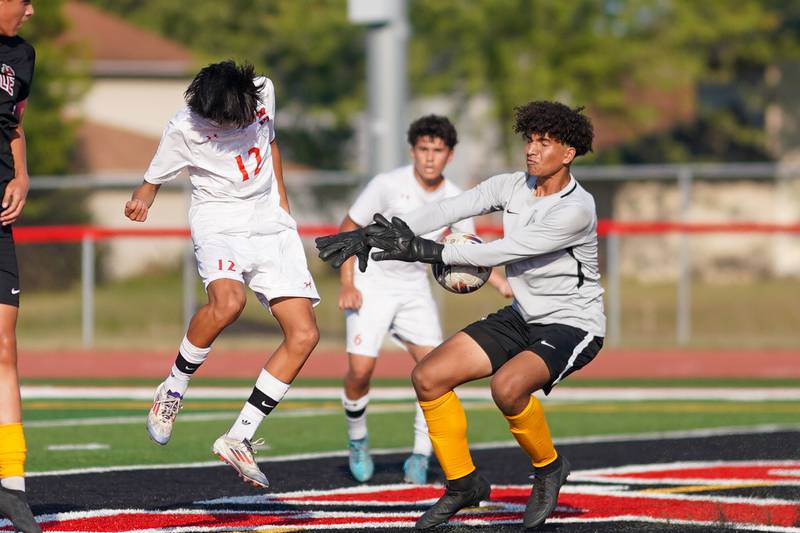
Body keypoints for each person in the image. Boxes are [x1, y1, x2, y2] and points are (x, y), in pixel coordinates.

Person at [317, 101, 604, 530]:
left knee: (507, 388)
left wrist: (428, 250)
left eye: (545, 142)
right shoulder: (511, 185)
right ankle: (463, 483)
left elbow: (504, 251)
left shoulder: (576, 208)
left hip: (573, 323)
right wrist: (372, 235)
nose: (531, 149)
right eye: (529, 139)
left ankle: (548, 468)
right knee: (428, 376)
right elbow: (448, 209)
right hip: (523, 315)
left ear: (568, 154)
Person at [125, 60, 320, 489]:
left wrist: (283, 203)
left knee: (304, 335)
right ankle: (172, 390)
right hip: (218, 220)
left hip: (269, 220)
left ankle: (239, 437)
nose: (235, 125)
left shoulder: (263, 90)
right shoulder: (184, 128)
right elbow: (151, 179)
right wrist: (143, 199)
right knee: (229, 304)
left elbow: (272, 143)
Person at [334, 115, 511, 485]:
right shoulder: (386, 184)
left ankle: (419, 454)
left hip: (415, 290)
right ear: (413, 151)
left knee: (433, 371)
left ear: (450, 155)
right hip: (372, 284)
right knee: (360, 374)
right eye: (424, 149)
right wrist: (347, 282)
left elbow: (470, 253)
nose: (430, 157)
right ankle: (357, 440)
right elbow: (349, 228)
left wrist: (499, 281)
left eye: (438, 150)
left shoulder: (457, 198)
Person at [0, 1, 40, 532]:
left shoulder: (21, 56)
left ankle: (12, 487)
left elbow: (15, 125)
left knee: (5, 345)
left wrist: (22, 176)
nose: (30, 10)